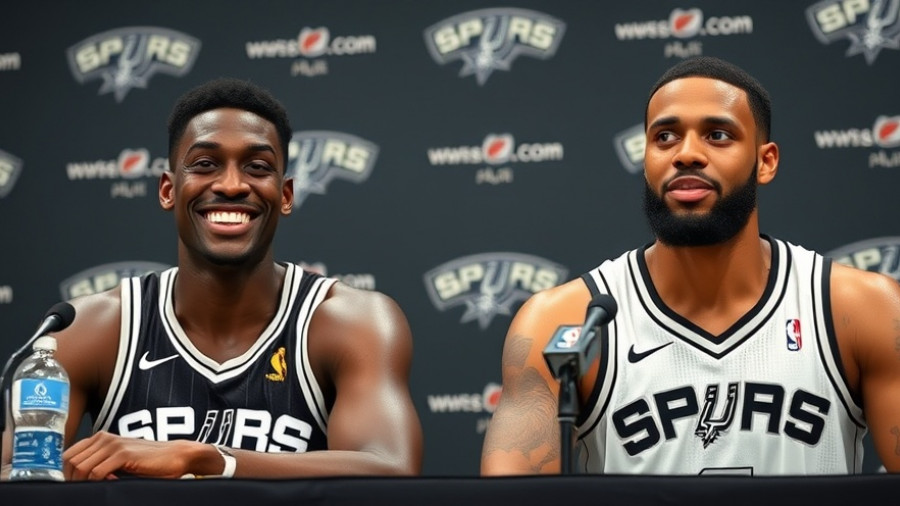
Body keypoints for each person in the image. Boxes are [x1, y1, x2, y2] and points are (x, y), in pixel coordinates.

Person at [480, 56, 900, 476]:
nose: (687, 154)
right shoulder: (564, 320)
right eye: (665, 137)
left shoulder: (859, 309)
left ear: (766, 161)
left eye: (717, 135)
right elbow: (510, 496)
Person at [2, 78, 423, 480]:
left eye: (258, 167)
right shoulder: (96, 327)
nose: (232, 184)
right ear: (168, 190)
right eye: (205, 164)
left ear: (287, 195)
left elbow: (391, 467)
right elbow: (13, 471)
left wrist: (209, 459)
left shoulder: (348, 320)